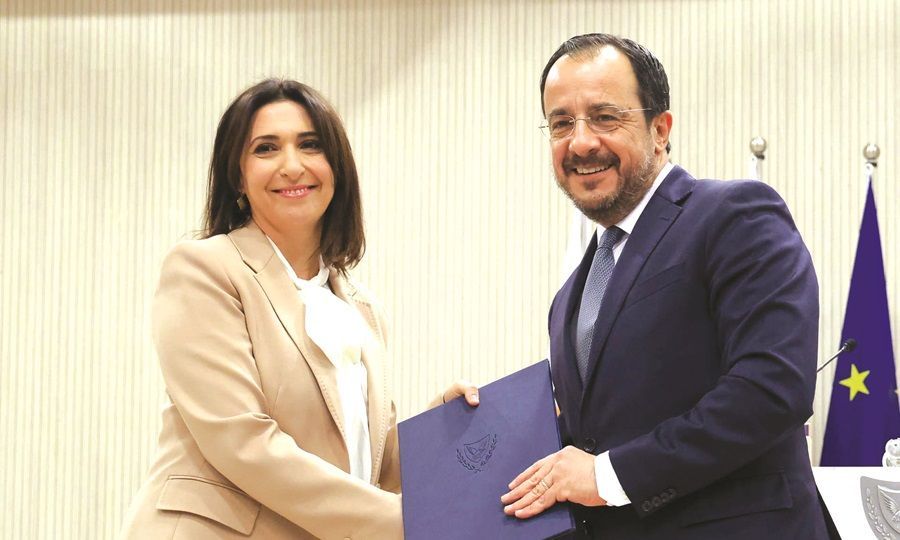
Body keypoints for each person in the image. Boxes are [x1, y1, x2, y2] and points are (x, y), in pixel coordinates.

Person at [500, 34, 828, 539]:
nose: (580, 142)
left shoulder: (735, 215)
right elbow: (587, 442)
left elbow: (770, 390)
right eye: (561, 123)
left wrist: (608, 477)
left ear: (660, 129)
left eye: (605, 117)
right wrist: (467, 427)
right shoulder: (569, 298)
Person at [120, 78, 477, 539]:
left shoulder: (360, 308)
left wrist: (443, 428)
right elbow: (242, 442)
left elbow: (370, 467)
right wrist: (408, 523)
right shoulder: (204, 268)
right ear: (238, 176)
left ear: (336, 168)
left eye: (310, 145)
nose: (292, 166)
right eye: (266, 149)